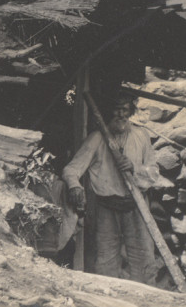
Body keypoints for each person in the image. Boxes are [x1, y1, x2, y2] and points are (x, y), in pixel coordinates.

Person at [62, 95, 160, 284]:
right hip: (107, 207)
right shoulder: (97, 139)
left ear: (130, 111)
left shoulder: (141, 136)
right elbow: (71, 169)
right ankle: (110, 296)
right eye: (116, 110)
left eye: (124, 109)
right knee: (105, 259)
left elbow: (154, 173)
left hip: (136, 205)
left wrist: (134, 167)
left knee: (143, 257)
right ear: (108, 112)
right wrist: (74, 185)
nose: (120, 114)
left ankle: (146, 299)